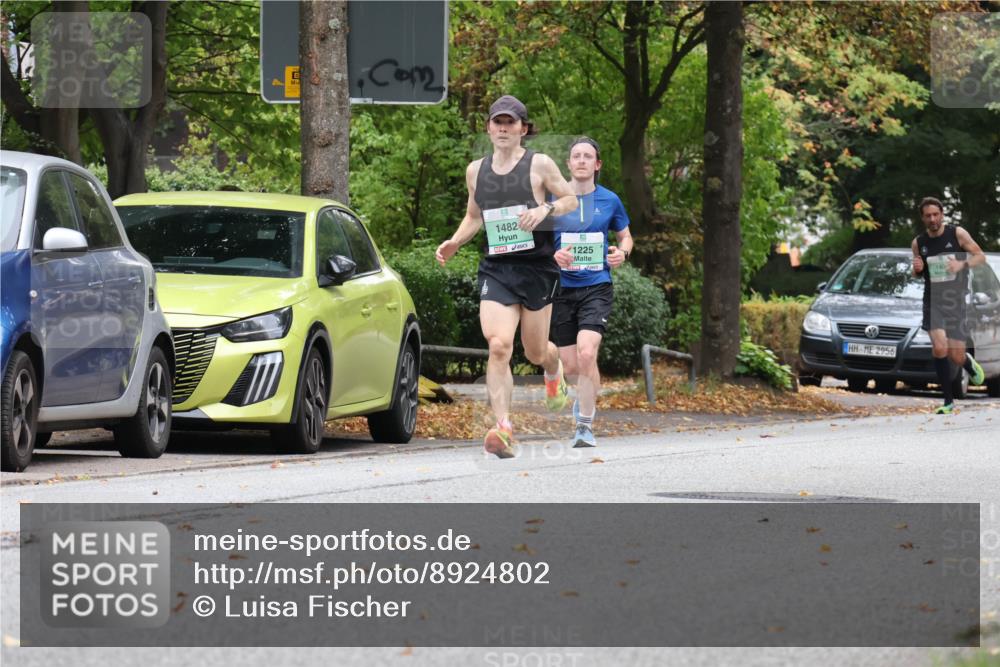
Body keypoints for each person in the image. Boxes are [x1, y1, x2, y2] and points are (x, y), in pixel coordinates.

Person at [435, 95, 578, 458]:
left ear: (523, 129)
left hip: (537, 268)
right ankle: (503, 428)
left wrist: (544, 209)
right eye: (497, 122)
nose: (503, 128)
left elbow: (571, 199)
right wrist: (455, 242)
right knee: (498, 345)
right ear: (488, 128)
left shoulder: (539, 164)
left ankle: (553, 368)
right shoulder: (475, 171)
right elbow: (474, 216)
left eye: (510, 122)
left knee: (535, 351)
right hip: (498, 268)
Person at [550, 137, 633, 447]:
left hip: (596, 286)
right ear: (569, 164)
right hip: (561, 288)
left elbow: (626, 237)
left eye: (588, 156)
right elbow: (537, 243)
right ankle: (581, 396)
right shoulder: (553, 200)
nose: (582, 160)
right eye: (576, 156)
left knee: (587, 353)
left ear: (597, 164)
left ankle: (584, 425)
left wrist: (622, 253)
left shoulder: (610, 200)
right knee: (572, 366)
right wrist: (553, 256)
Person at [911, 196, 986, 414]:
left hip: (954, 300)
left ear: (942, 214)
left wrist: (962, 264)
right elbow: (917, 273)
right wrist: (916, 269)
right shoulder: (919, 243)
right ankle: (947, 401)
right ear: (923, 218)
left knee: (956, 355)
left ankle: (967, 362)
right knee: (939, 347)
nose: (933, 219)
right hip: (932, 300)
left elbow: (980, 257)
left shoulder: (957, 234)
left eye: (936, 214)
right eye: (928, 216)